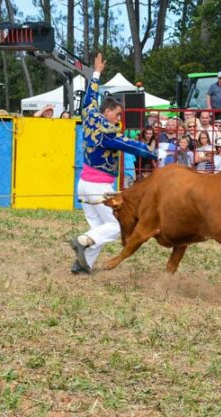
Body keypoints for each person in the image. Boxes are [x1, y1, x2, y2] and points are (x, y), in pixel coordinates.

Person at [70, 53, 157, 275]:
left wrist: (97, 72)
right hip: (100, 187)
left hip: (83, 184)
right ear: (107, 111)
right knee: (118, 227)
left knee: (99, 228)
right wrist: (151, 151)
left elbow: (90, 95)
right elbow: (130, 146)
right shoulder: (107, 130)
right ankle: (83, 240)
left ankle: (83, 266)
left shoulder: (89, 114)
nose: (118, 119)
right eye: (117, 115)